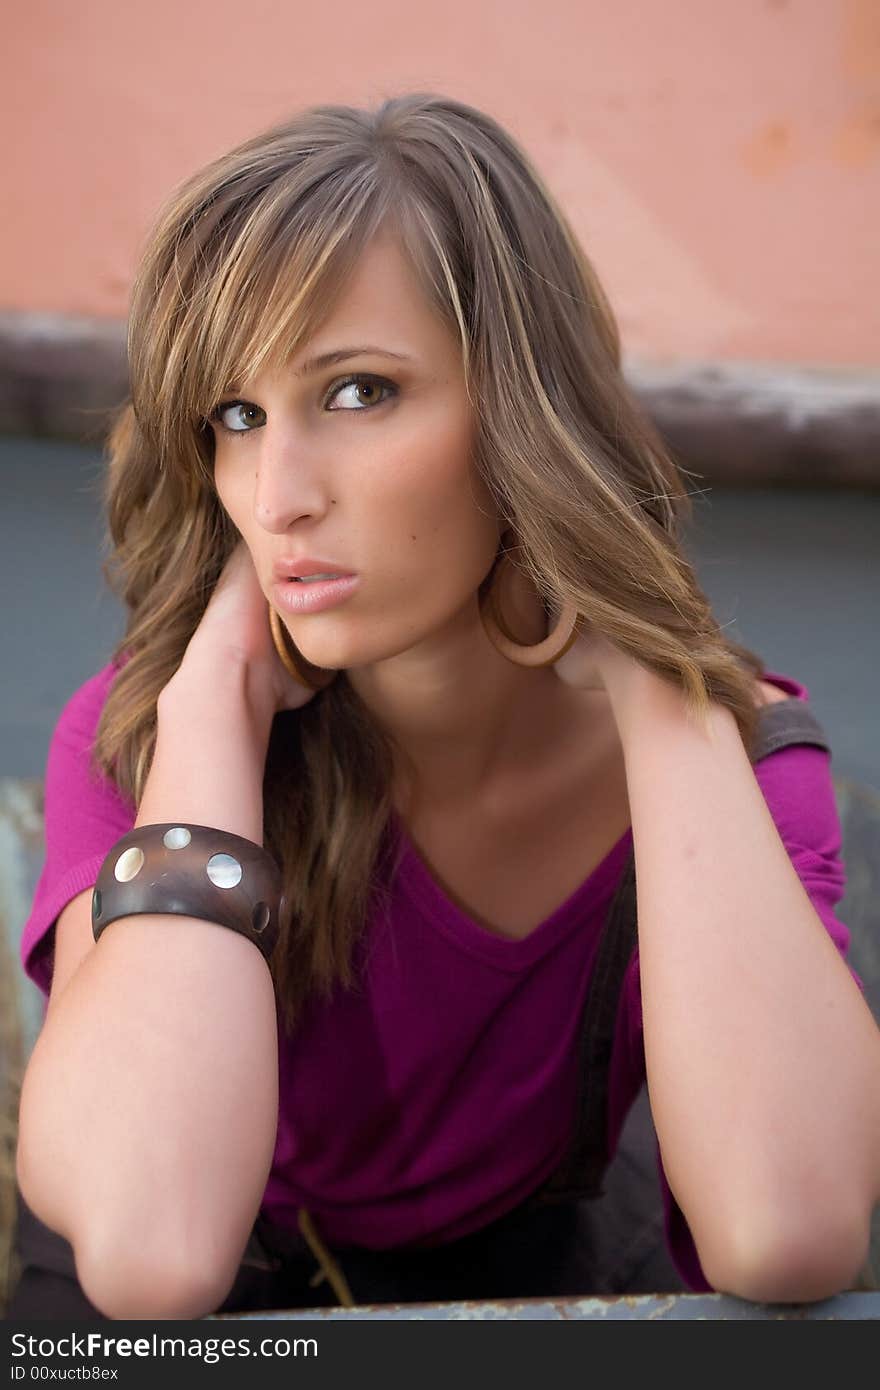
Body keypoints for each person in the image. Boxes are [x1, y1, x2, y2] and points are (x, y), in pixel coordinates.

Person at [10, 92, 879, 1321]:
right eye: (237, 416)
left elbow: (788, 1231)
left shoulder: (729, 760)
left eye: (358, 391)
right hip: (188, 1269)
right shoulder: (152, 735)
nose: (278, 495)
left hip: (527, 1260)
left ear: (525, 413)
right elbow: (152, 1255)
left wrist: (658, 683)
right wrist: (212, 713)